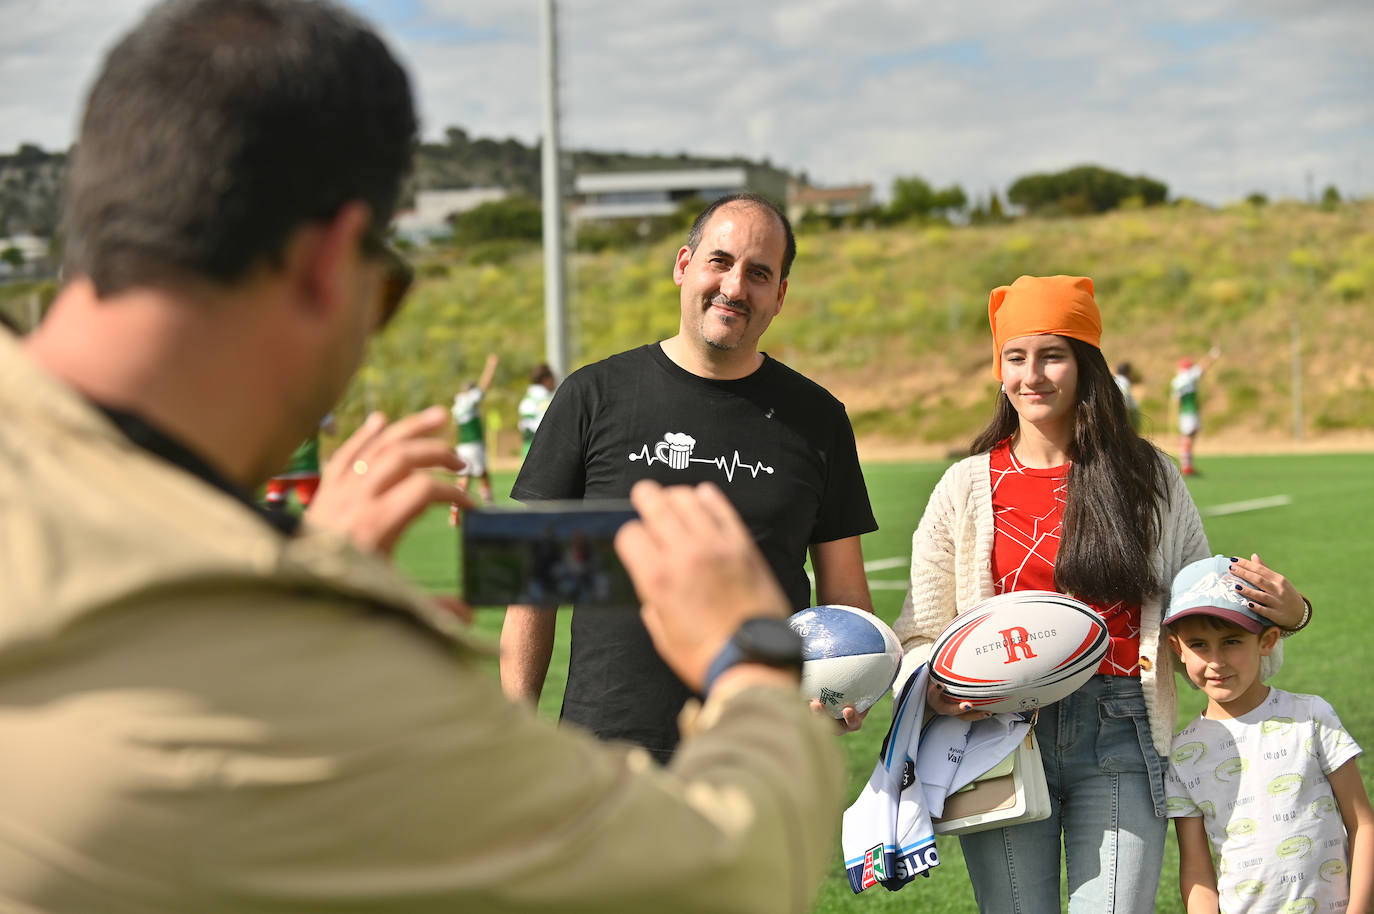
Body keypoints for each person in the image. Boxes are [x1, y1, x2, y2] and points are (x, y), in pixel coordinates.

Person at [0, 2, 846, 910]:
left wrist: (300, 585)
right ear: (331, 267)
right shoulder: (589, 401)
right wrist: (753, 663)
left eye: (761, 274)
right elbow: (729, 868)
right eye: (388, 286)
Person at [891, 275, 1310, 913]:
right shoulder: (963, 487)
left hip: (1121, 732)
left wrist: (1290, 614)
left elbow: (1197, 611)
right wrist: (937, 688)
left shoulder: (1149, 478)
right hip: (995, 740)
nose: (1032, 375)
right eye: (1015, 357)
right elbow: (921, 632)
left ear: (1087, 364)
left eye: (1052, 356)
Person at [501, 192, 878, 760]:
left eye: (758, 274)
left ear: (779, 295)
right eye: (719, 261)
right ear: (683, 265)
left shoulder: (819, 419)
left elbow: (845, 595)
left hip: (760, 752)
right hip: (608, 752)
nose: (734, 287)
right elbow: (534, 591)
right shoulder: (592, 396)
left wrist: (847, 683)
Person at [1165, 555, 1371, 914]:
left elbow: (1363, 824)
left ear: (1268, 641)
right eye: (1199, 644)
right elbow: (1197, 871)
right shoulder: (1182, 753)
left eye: (1231, 641)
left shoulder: (1311, 716)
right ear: (1176, 649)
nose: (1216, 661)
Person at [449, 351, 499, 524]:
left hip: (463, 445)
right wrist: (491, 366)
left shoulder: (457, 405)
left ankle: (454, 512)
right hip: (474, 445)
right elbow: (484, 385)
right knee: (482, 475)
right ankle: (490, 508)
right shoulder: (470, 400)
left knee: (464, 478)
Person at [264, 412, 337, 511]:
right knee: (313, 511)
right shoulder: (313, 407)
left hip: (281, 467)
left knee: (272, 510)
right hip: (306, 467)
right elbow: (332, 431)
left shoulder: (269, 408)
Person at [1171, 347, 1221, 475]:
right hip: (1190, 411)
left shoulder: (1176, 381)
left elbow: (1176, 401)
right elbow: (1203, 367)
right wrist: (1213, 355)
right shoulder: (1188, 376)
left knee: (1186, 437)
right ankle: (1186, 466)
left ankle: (1187, 464)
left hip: (1183, 413)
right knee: (1189, 437)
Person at [517, 361, 556, 457]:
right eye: (553, 378)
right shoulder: (547, 400)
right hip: (544, 452)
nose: (555, 382)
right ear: (546, 380)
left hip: (527, 451)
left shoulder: (527, 399)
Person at [1114, 360, 1142, 431]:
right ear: (1128, 373)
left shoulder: (1114, 379)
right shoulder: (1125, 382)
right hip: (1129, 412)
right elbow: (1125, 398)